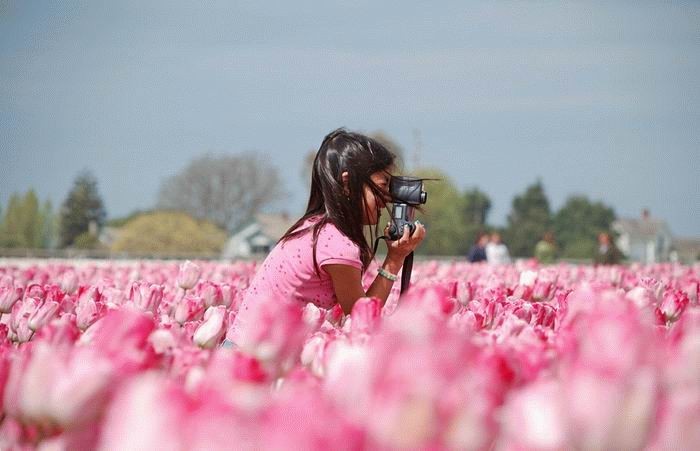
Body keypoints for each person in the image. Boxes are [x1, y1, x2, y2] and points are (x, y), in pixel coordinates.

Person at [227, 129, 426, 346]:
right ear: (348, 183)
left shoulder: (314, 227)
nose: (387, 198)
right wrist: (394, 260)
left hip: (245, 349)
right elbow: (362, 317)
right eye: (382, 186)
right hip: (254, 357)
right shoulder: (338, 244)